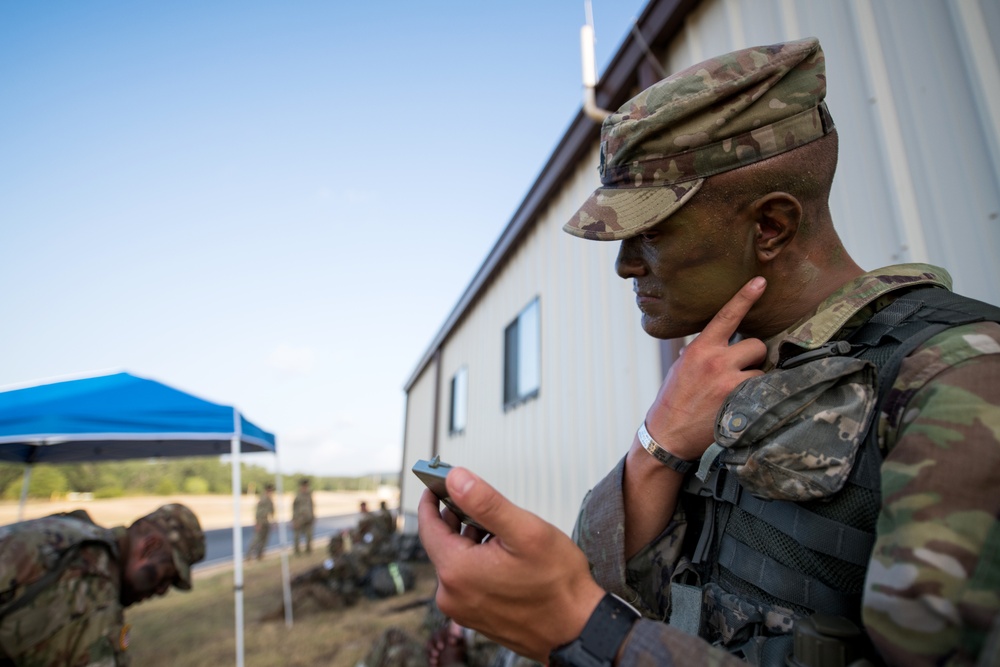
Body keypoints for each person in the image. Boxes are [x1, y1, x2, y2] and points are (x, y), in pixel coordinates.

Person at [417, 37, 1000, 667]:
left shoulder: (960, 380)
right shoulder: (722, 374)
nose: (624, 265)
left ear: (770, 226)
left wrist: (583, 634)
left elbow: (588, 610)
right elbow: (621, 583)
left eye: (651, 235)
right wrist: (655, 449)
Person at [0, 503, 205, 666]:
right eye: (166, 577)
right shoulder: (94, 581)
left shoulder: (71, 531)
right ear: (149, 547)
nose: (162, 590)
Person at [246, 483, 275, 561]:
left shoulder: (270, 500)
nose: (271, 492)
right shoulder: (262, 499)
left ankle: (260, 554)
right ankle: (248, 555)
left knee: (264, 540)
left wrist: (273, 522)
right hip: (261, 522)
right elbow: (258, 512)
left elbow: (272, 511)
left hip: (266, 522)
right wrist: (257, 523)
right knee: (256, 539)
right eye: (269, 491)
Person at [292, 478, 315, 555]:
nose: (305, 488)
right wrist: (294, 520)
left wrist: (313, 516)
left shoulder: (309, 495)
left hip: (308, 518)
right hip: (299, 519)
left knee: (309, 535)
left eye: (306, 486)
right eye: (304, 486)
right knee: (297, 536)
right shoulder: (298, 496)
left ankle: (308, 550)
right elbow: (294, 508)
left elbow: (311, 506)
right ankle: (297, 551)